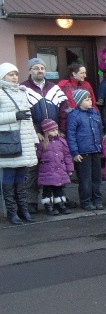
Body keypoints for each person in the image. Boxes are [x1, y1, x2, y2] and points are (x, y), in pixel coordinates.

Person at [22, 57, 66, 212]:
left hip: (54, 136)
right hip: (35, 137)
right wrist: (36, 132)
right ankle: (31, 202)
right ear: (30, 71)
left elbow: (63, 110)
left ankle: (59, 200)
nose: (40, 70)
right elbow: (25, 113)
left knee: (56, 166)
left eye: (42, 68)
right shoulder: (24, 89)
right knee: (33, 170)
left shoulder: (54, 88)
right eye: (36, 68)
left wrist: (61, 130)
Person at [0, 62, 39, 224]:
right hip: (9, 143)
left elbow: (28, 120)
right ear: (3, 77)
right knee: (9, 178)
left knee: (21, 178)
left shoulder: (22, 92)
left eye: (16, 74)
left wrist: (34, 139)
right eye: (11, 74)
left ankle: (23, 210)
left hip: (24, 141)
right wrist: (14, 116)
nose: (15, 77)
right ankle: (12, 212)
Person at [66, 90, 104, 211]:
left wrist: (101, 145)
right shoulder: (74, 115)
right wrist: (75, 152)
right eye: (86, 99)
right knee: (85, 178)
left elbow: (99, 130)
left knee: (97, 177)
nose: (90, 101)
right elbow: (71, 134)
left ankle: (97, 199)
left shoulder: (95, 113)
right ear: (79, 102)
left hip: (96, 149)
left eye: (90, 99)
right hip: (83, 152)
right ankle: (86, 200)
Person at [36, 119, 73, 216]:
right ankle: (48, 206)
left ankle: (60, 204)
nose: (55, 132)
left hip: (59, 169)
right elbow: (38, 156)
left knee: (59, 188)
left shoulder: (61, 141)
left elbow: (67, 155)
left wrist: (69, 168)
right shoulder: (42, 143)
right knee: (47, 189)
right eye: (52, 130)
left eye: (56, 130)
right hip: (47, 170)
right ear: (46, 131)